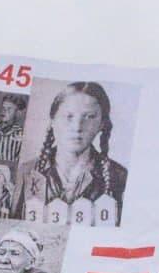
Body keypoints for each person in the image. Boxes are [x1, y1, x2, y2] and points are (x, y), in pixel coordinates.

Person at [18, 82, 128, 226]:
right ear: (52, 121)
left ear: (102, 124)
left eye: (89, 117)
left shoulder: (119, 177)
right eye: (68, 116)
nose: (77, 127)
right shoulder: (26, 172)